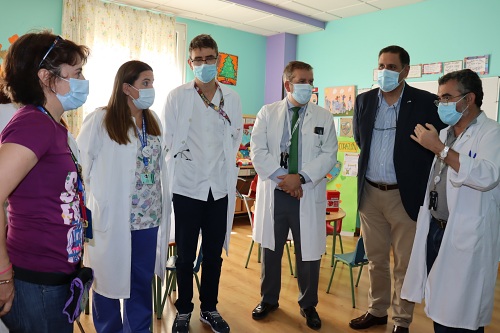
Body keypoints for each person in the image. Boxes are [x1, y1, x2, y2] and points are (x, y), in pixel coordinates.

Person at [350, 45, 445, 333]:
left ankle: (401, 320)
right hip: (370, 193)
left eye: (392, 67)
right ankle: (377, 310)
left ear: (405, 70)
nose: (385, 71)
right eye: (381, 65)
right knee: (376, 260)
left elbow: (435, 143)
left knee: (405, 263)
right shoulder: (364, 101)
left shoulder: (425, 102)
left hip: (405, 195)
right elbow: (359, 139)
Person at [0, 31, 90, 333]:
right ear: (46, 77)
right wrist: (2, 275)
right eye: (76, 73)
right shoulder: (33, 124)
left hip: (52, 277)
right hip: (35, 281)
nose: (82, 80)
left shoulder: (51, 125)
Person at [401, 69, 500, 333]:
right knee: (441, 304)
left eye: (447, 98)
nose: (441, 104)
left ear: (469, 99)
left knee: (462, 313)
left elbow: (487, 176)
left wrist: (439, 149)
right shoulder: (445, 133)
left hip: (466, 233)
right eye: (439, 99)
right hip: (436, 227)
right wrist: (439, 145)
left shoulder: (491, 133)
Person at [77, 60, 169, 333]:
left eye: (152, 82)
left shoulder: (153, 123)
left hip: (147, 219)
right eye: (145, 83)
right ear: (127, 88)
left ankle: (139, 330)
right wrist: (95, 203)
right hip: (111, 217)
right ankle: (108, 329)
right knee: (105, 281)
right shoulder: (101, 120)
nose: (151, 88)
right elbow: (80, 168)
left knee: (140, 281)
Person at [162, 34, 242, 333]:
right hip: (186, 187)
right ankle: (184, 310)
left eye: (210, 58)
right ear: (190, 62)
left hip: (218, 189)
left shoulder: (231, 98)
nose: (204, 64)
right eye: (199, 59)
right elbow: (169, 139)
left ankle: (209, 308)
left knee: (213, 255)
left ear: (218, 60)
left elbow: (234, 138)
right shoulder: (177, 96)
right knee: (184, 255)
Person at [250, 60, 338, 330]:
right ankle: (269, 299)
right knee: (271, 250)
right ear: (288, 84)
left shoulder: (323, 116)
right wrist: (283, 179)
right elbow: (258, 151)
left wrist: (299, 178)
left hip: (306, 192)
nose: (308, 86)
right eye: (302, 81)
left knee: (308, 254)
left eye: (310, 81)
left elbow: (329, 155)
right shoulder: (267, 113)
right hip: (277, 193)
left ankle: (308, 304)